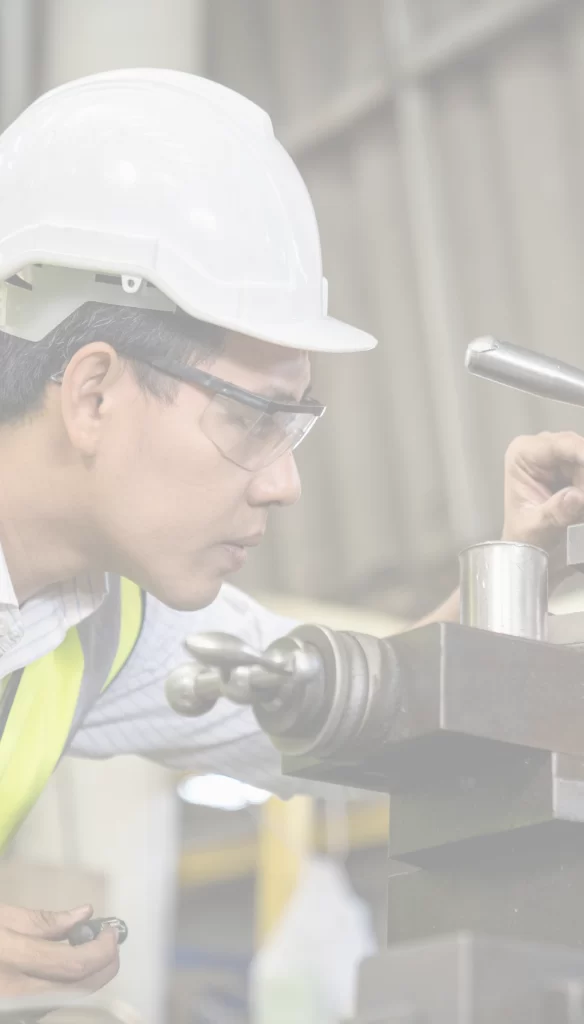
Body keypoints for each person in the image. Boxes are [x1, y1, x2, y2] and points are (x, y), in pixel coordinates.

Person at [0, 67, 583, 997]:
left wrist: (521, 562)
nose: (285, 483)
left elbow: (355, 717)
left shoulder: (101, 622)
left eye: (294, 426)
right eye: (250, 419)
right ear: (94, 392)